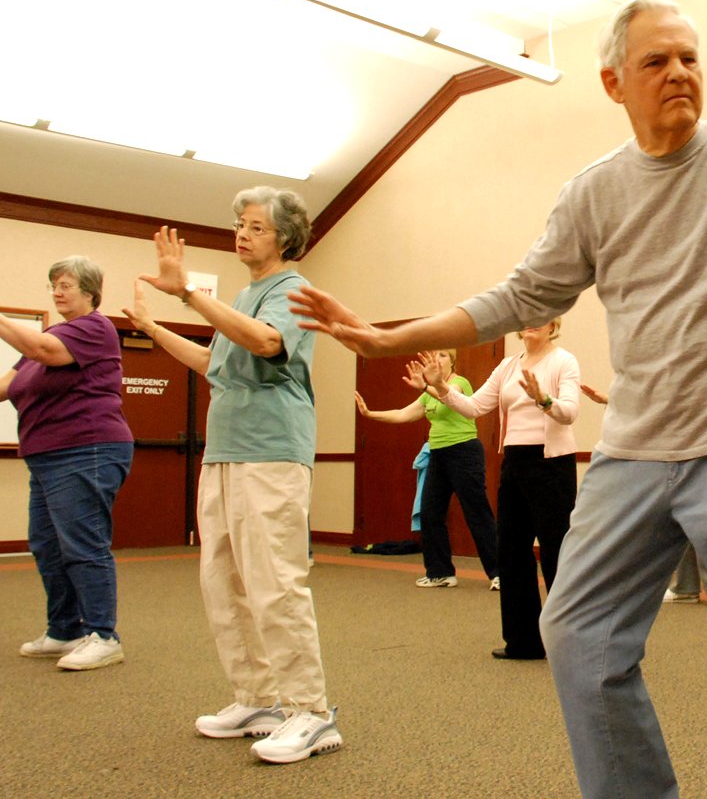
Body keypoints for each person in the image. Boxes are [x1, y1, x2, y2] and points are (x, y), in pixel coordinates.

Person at [290, 0, 707, 799]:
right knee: (574, 633)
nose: (678, 72)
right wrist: (390, 337)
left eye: (690, 58)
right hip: (635, 451)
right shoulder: (593, 192)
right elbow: (518, 296)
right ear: (613, 82)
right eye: (656, 61)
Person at [122, 187, 344, 763]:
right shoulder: (244, 296)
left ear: (286, 238)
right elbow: (211, 364)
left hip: (271, 451)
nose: (242, 234)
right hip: (224, 452)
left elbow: (268, 344)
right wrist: (153, 325)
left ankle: (312, 711)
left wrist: (191, 295)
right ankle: (259, 697)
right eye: (239, 225)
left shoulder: (294, 292)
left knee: (275, 582)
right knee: (224, 582)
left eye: (256, 227)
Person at [420, 318, 579, 660]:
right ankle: (524, 642)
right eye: (527, 319)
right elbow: (474, 407)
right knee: (511, 551)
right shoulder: (507, 367)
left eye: (543, 319)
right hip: (515, 463)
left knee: (557, 552)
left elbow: (569, 413)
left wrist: (543, 399)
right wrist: (443, 389)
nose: (533, 324)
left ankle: (571, 644)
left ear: (553, 326)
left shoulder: (564, 361)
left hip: (552, 465)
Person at [2, 257, 133, 671]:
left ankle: (103, 635)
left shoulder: (95, 328)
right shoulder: (45, 342)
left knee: (82, 544)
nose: (57, 292)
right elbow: (7, 385)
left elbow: (41, 349)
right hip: (46, 455)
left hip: (87, 449)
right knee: (47, 546)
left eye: (66, 285)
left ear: (91, 292)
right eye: (53, 285)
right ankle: (65, 630)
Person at [355, 349, 500, 590]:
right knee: (431, 513)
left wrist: (425, 386)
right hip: (438, 453)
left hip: (464, 451)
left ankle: (499, 572)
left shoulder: (458, 383)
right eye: (432, 355)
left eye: (442, 355)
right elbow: (403, 414)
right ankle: (440, 572)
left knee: (477, 512)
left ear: (452, 361)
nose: (436, 359)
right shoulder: (428, 394)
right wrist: (370, 414)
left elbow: (448, 395)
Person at [583, 384, 707, 611]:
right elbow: (655, 402)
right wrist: (611, 400)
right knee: (682, 517)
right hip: (673, 448)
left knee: (705, 520)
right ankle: (685, 588)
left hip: (706, 446)